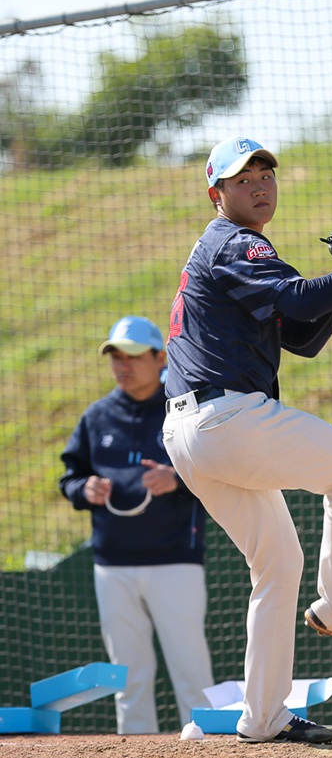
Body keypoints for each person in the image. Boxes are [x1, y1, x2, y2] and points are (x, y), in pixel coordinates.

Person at [162, 135, 332, 744]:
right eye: (244, 178)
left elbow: (302, 336)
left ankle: (263, 717)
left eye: (266, 172)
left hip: (192, 431)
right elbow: (299, 299)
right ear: (217, 194)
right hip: (225, 420)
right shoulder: (237, 241)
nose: (260, 184)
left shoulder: (234, 250)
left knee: (278, 562)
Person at [59, 315, 214, 735]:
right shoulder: (97, 417)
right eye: (114, 356)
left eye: (131, 356)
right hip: (112, 567)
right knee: (127, 679)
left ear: (159, 357)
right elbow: (69, 476)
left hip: (176, 562)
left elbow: (216, 466)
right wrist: (83, 488)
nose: (122, 365)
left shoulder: (183, 408)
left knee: (192, 673)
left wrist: (176, 479)